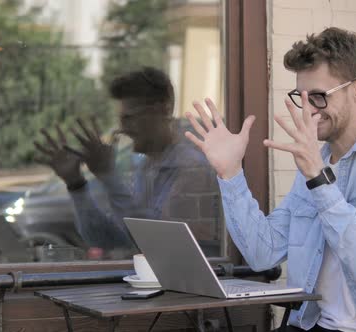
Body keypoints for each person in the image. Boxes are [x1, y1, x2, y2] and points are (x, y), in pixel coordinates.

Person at [185, 28, 356, 331]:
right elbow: (261, 254)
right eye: (300, 98)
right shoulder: (315, 163)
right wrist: (231, 173)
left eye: (318, 97)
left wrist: (318, 178)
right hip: (312, 325)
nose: (308, 111)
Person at [34, 67, 222, 254]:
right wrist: (76, 184)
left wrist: (108, 176)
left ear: (161, 111)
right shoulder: (146, 167)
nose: (122, 129)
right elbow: (108, 240)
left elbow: (155, 243)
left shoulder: (192, 170)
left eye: (129, 118)